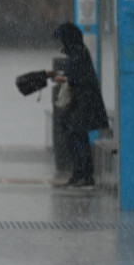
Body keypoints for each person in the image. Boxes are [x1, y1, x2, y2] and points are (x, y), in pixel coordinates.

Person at [46, 22, 109, 189]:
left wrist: (57, 76)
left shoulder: (78, 53)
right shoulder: (78, 51)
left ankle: (84, 174)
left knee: (77, 135)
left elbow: (73, 77)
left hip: (84, 102)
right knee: (75, 136)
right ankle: (79, 173)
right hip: (81, 101)